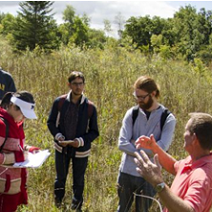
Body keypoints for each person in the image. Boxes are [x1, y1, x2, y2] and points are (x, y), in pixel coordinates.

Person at [117, 75, 176, 212]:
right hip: (127, 171)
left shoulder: (167, 118)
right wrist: (149, 149)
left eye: (142, 97)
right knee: (122, 209)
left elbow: (163, 148)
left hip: (150, 176)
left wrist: (133, 146)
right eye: (136, 96)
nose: (138, 100)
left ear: (153, 94)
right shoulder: (132, 113)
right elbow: (122, 143)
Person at [135, 112, 212, 212]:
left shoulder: (202, 175)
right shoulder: (194, 159)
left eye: (186, 130)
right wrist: (154, 147)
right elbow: (174, 166)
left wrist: (158, 183)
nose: (184, 134)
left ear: (194, 138)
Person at [47, 71, 99, 211]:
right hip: (61, 148)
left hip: (81, 151)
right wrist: (58, 136)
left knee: (79, 181)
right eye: (75, 84)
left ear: (84, 85)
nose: (78, 87)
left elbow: (94, 131)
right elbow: (51, 122)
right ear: (69, 85)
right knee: (60, 178)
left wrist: (80, 141)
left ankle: (76, 207)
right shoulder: (60, 102)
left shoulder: (90, 107)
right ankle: (58, 205)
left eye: (80, 84)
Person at [0, 91, 39, 212]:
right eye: (22, 113)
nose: (24, 117)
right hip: (2, 187)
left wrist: (29, 149)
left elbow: (14, 146)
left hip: (12, 185)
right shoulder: (2, 125)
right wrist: (16, 158)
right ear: (12, 106)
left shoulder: (16, 123)